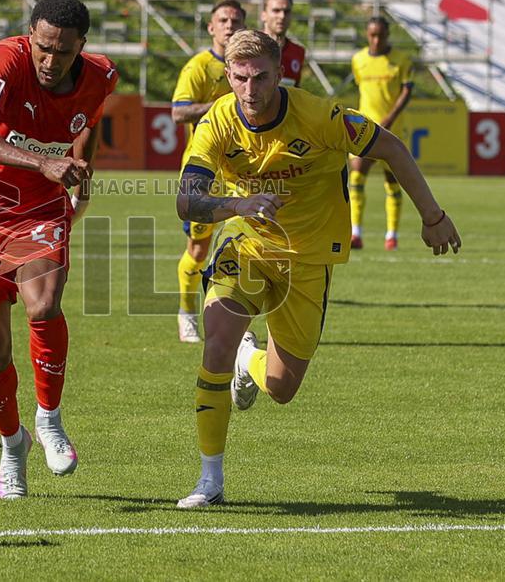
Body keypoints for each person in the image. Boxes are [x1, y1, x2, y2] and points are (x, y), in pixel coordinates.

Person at [175, 30, 460, 508]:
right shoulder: (217, 123)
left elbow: (390, 147)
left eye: (261, 77)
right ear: (228, 77)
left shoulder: (320, 116)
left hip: (308, 260)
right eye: (240, 78)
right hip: (247, 247)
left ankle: (252, 361)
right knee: (216, 344)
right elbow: (187, 200)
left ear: (280, 73)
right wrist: (239, 205)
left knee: (282, 388)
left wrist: (433, 217)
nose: (250, 89)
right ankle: (210, 479)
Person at [0, 0, 118, 500]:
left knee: (43, 305)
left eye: (62, 52)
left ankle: (49, 418)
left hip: (40, 210)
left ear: (81, 48)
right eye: (43, 48)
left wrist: (82, 165)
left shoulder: (103, 75)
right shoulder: (4, 60)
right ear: (30, 37)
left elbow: (86, 119)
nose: (50, 61)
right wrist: (42, 161)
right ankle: (11, 443)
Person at [172, 0, 246, 343]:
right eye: (223, 19)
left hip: (244, 173)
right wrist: (220, 106)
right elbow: (178, 112)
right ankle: (187, 312)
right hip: (205, 173)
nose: (229, 25)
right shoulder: (199, 67)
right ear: (211, 27)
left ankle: (235, 320)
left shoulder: (250, 68)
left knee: (247, 245)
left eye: (236, 20)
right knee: (198, 251)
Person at [349, 15, 414, 251]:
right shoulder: (358, 60)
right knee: (356, 176)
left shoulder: (400, 61)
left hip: (393, 131)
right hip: (364, 129)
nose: (376, 40)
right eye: (372, 35)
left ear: (388, 35)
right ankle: (356, 233)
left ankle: (392, 235)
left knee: (392, 182)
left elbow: (406, 92)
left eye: (381, 35)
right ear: (367, 35)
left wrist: (390, 118)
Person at [260, 0, 305, 87]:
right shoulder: (249, 47)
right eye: (276, 10)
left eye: (286, 11)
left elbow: (295, 89)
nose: (282, 16)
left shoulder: (298, 52)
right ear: (263, 15)